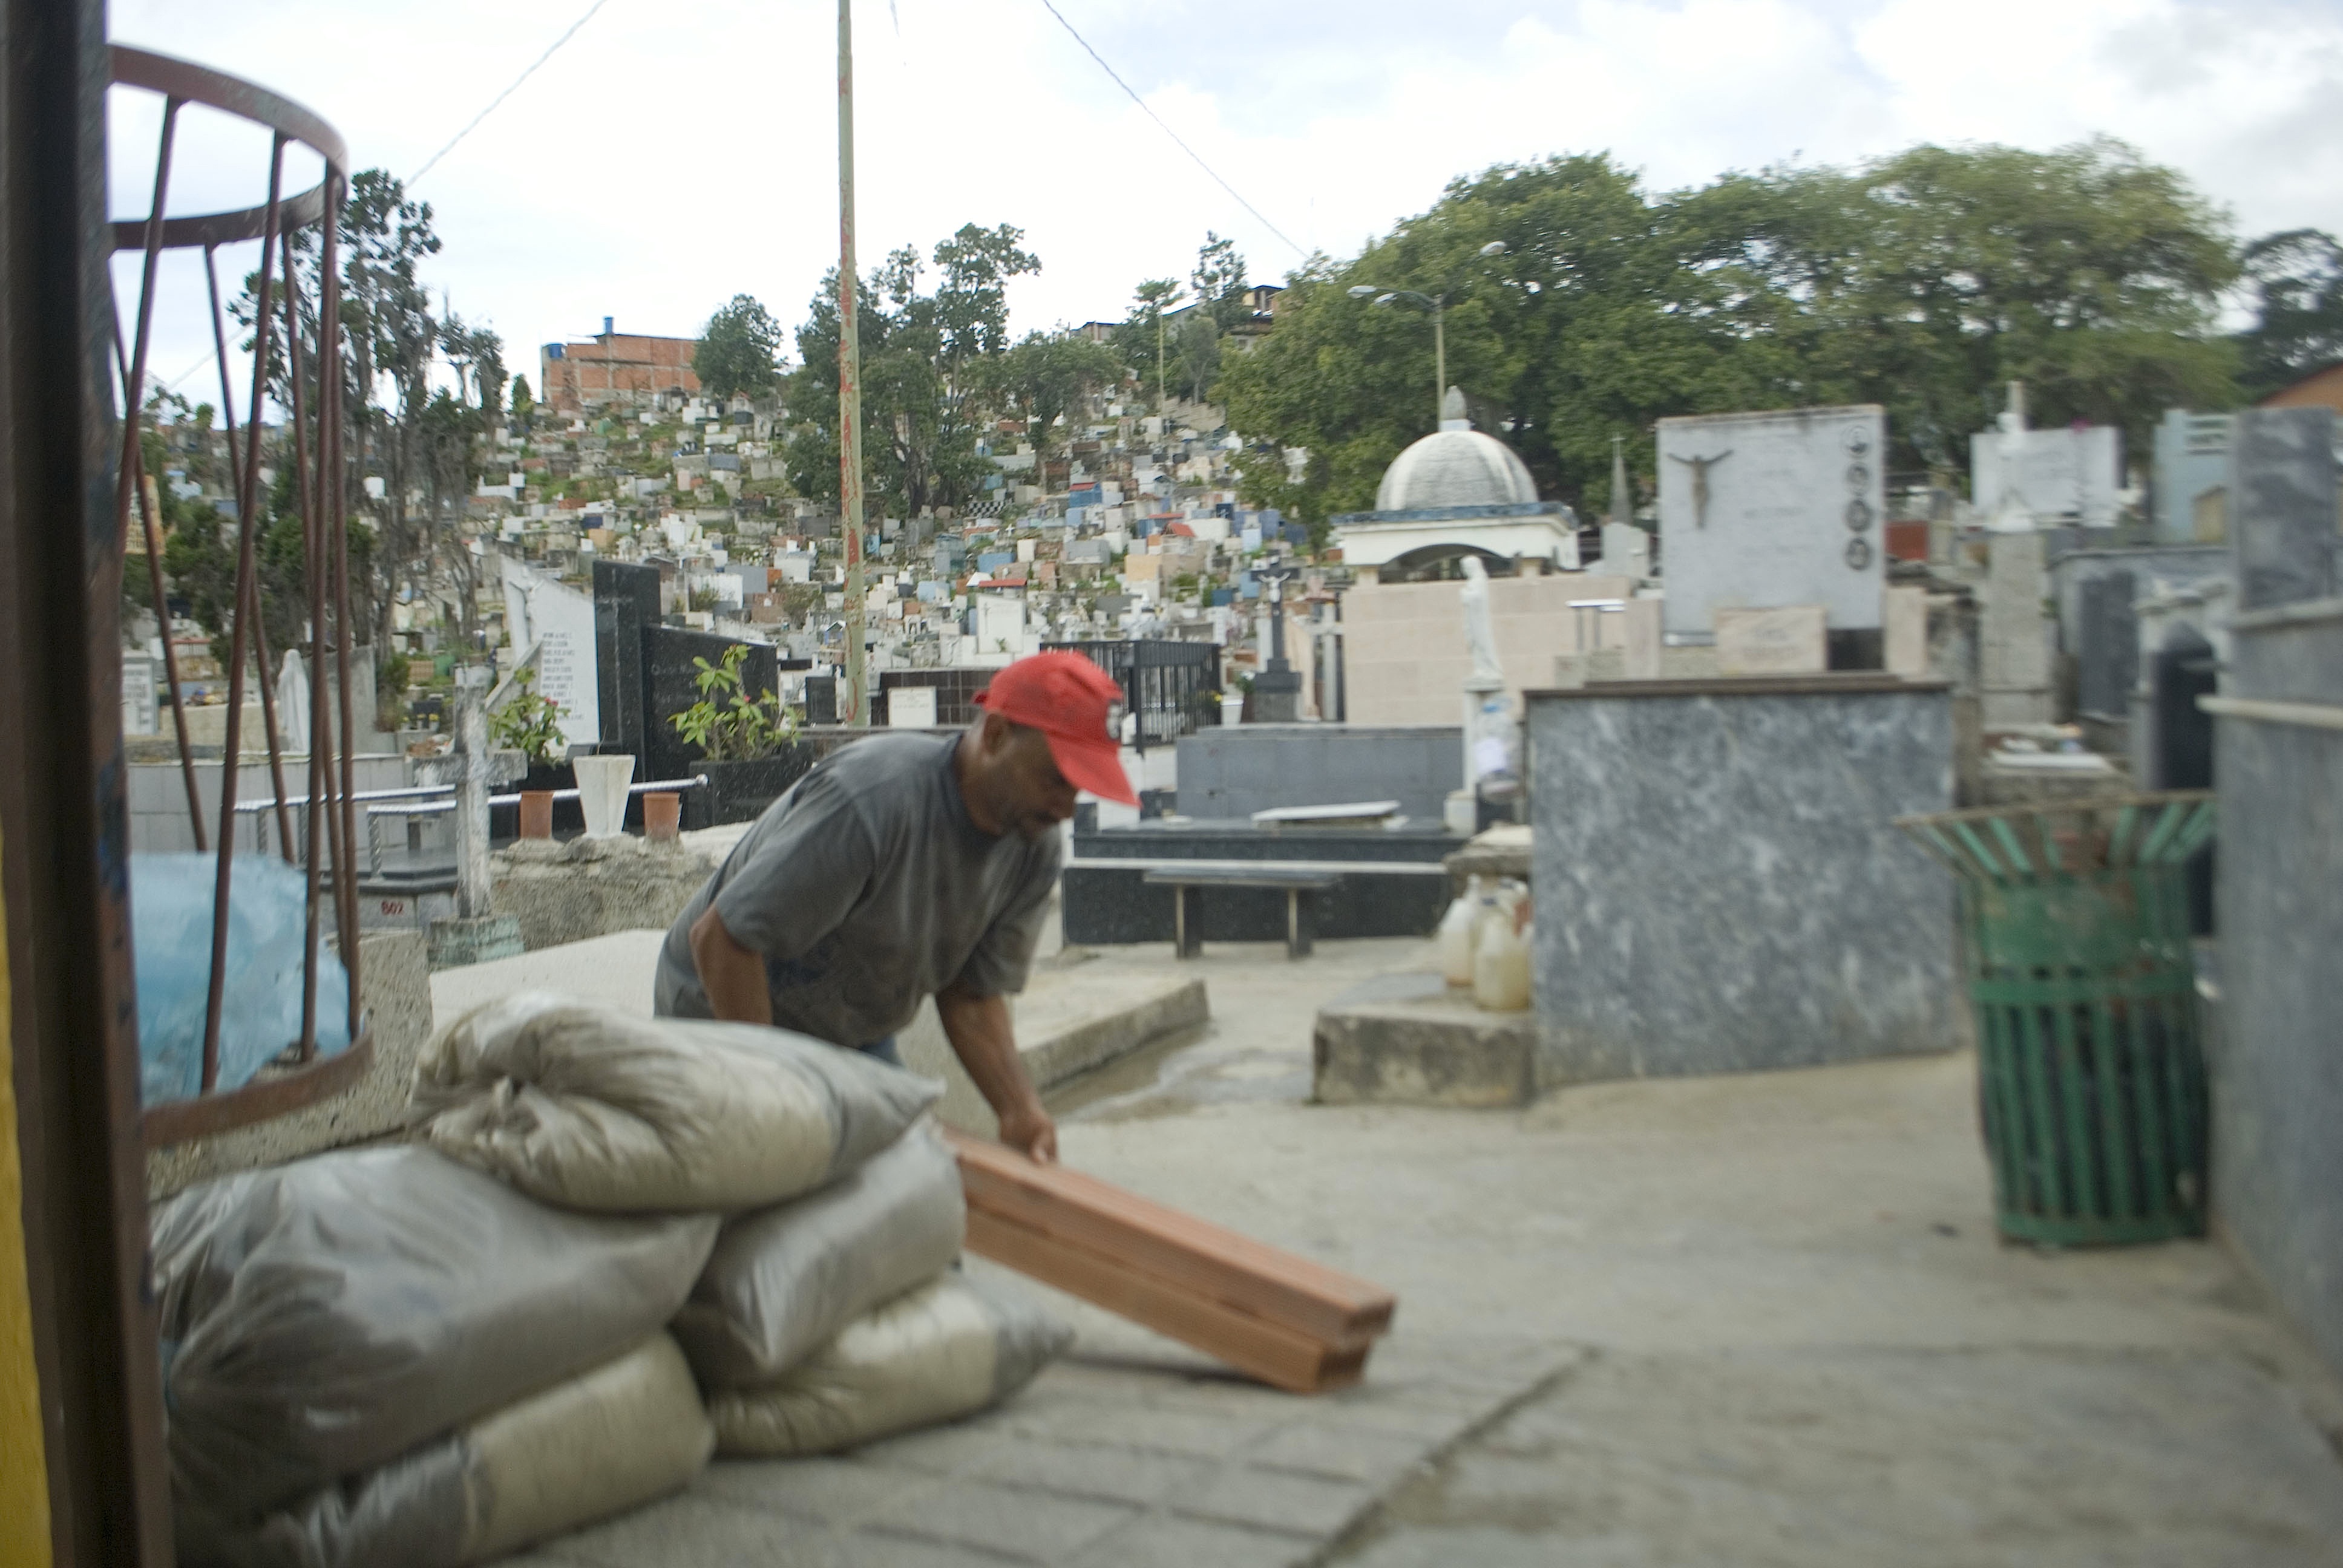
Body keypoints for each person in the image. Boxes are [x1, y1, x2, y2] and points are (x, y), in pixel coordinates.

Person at [654, 652, 1138, 1162]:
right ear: (995, 736)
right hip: (721, 1016)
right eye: (1054, 779)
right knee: (771, 1193)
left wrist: (1019, 1109)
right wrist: (775, 1091)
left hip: (852, 1032)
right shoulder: (872, 801)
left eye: (1078, 789)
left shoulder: (1032, 846)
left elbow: (971, 995)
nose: (1065, 809)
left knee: (913, 1195)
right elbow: (724, 940)